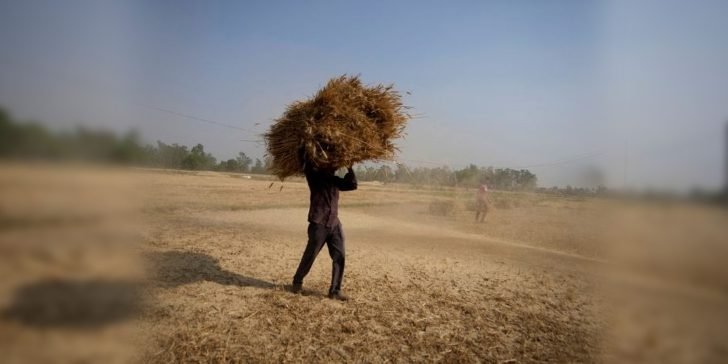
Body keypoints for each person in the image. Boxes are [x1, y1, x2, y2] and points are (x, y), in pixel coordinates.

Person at [291, 163, 357, 301]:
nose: (334, 167)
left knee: (340, 256)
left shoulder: (335, 180)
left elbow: (352, 185)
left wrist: (350, 168)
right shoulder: (315, 177)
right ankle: (297, 282)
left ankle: (335, 291)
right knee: (310, 254)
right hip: (319, 223)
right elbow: (306, 164)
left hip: (334, 224)